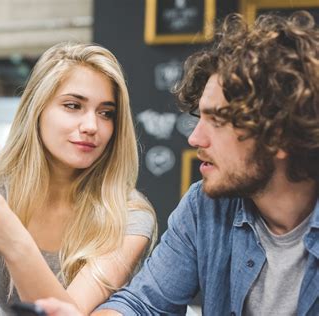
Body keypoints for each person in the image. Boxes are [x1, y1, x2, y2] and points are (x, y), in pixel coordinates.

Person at [36, 11, 319, 316]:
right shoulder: (205, 206)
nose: (195, 138)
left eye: (218, 120)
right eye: (200, 118)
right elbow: (143, 303)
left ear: (279, 134)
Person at [0, 42, 157, 315]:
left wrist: (12, 239)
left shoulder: (129, 216)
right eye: (73, 106)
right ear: (37, 110)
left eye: (106, 113)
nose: (91, 126)